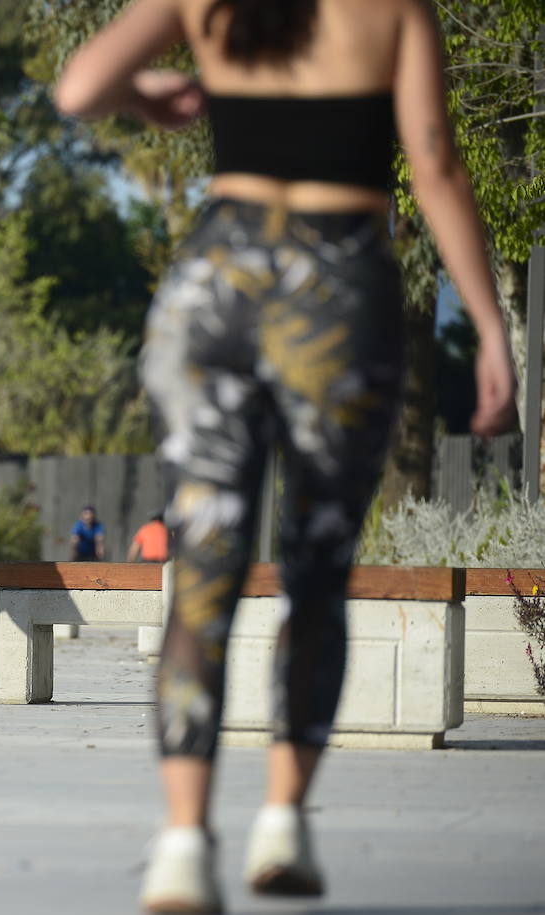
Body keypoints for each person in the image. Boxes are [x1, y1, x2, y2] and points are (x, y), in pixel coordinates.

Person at [54, 1, 516, 911]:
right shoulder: (392, 7)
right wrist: (490, 324)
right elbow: (434, 162)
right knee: (316, 561)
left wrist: (149, 103)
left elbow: (80, 87)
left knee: (203, 564)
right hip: (336, 288)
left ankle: (183, 841)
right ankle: (282, 821)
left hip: (213, 287)